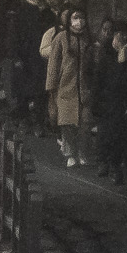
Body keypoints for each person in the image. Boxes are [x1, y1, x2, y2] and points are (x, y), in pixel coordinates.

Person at [42, 9, 92, 166]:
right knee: (67, 123)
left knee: (85, 123)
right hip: (65, 88)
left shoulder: (88, 39)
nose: (79, 21)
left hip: (84, 89)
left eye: (82, 17)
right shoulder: (61, 38)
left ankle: (83, 152)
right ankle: (70, 153)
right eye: (76, 18)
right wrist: (51, 88)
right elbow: (53, 65)